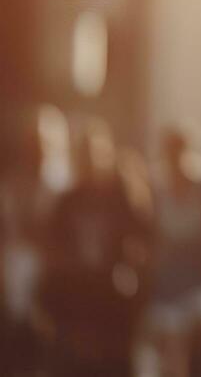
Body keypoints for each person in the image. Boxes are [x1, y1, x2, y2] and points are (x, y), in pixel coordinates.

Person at [40, 119, 151, 377]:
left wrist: (130, 265)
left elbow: (142, 239)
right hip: (76, 283)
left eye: (96, 154)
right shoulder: (68, 200)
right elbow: (54, 247)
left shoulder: (122, 196)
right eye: (85, 155)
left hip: (111, 282)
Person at [146, 125, 201, 377]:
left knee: (196, 325)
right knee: (168, 335)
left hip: (200, 287)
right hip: (165, 288)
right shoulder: (156, 191)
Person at [0, 107, 66, 376]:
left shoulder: (63, 188)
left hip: (50, 286)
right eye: (33, 142)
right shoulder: (9, 187)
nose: (37, 150)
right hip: (13, 285)